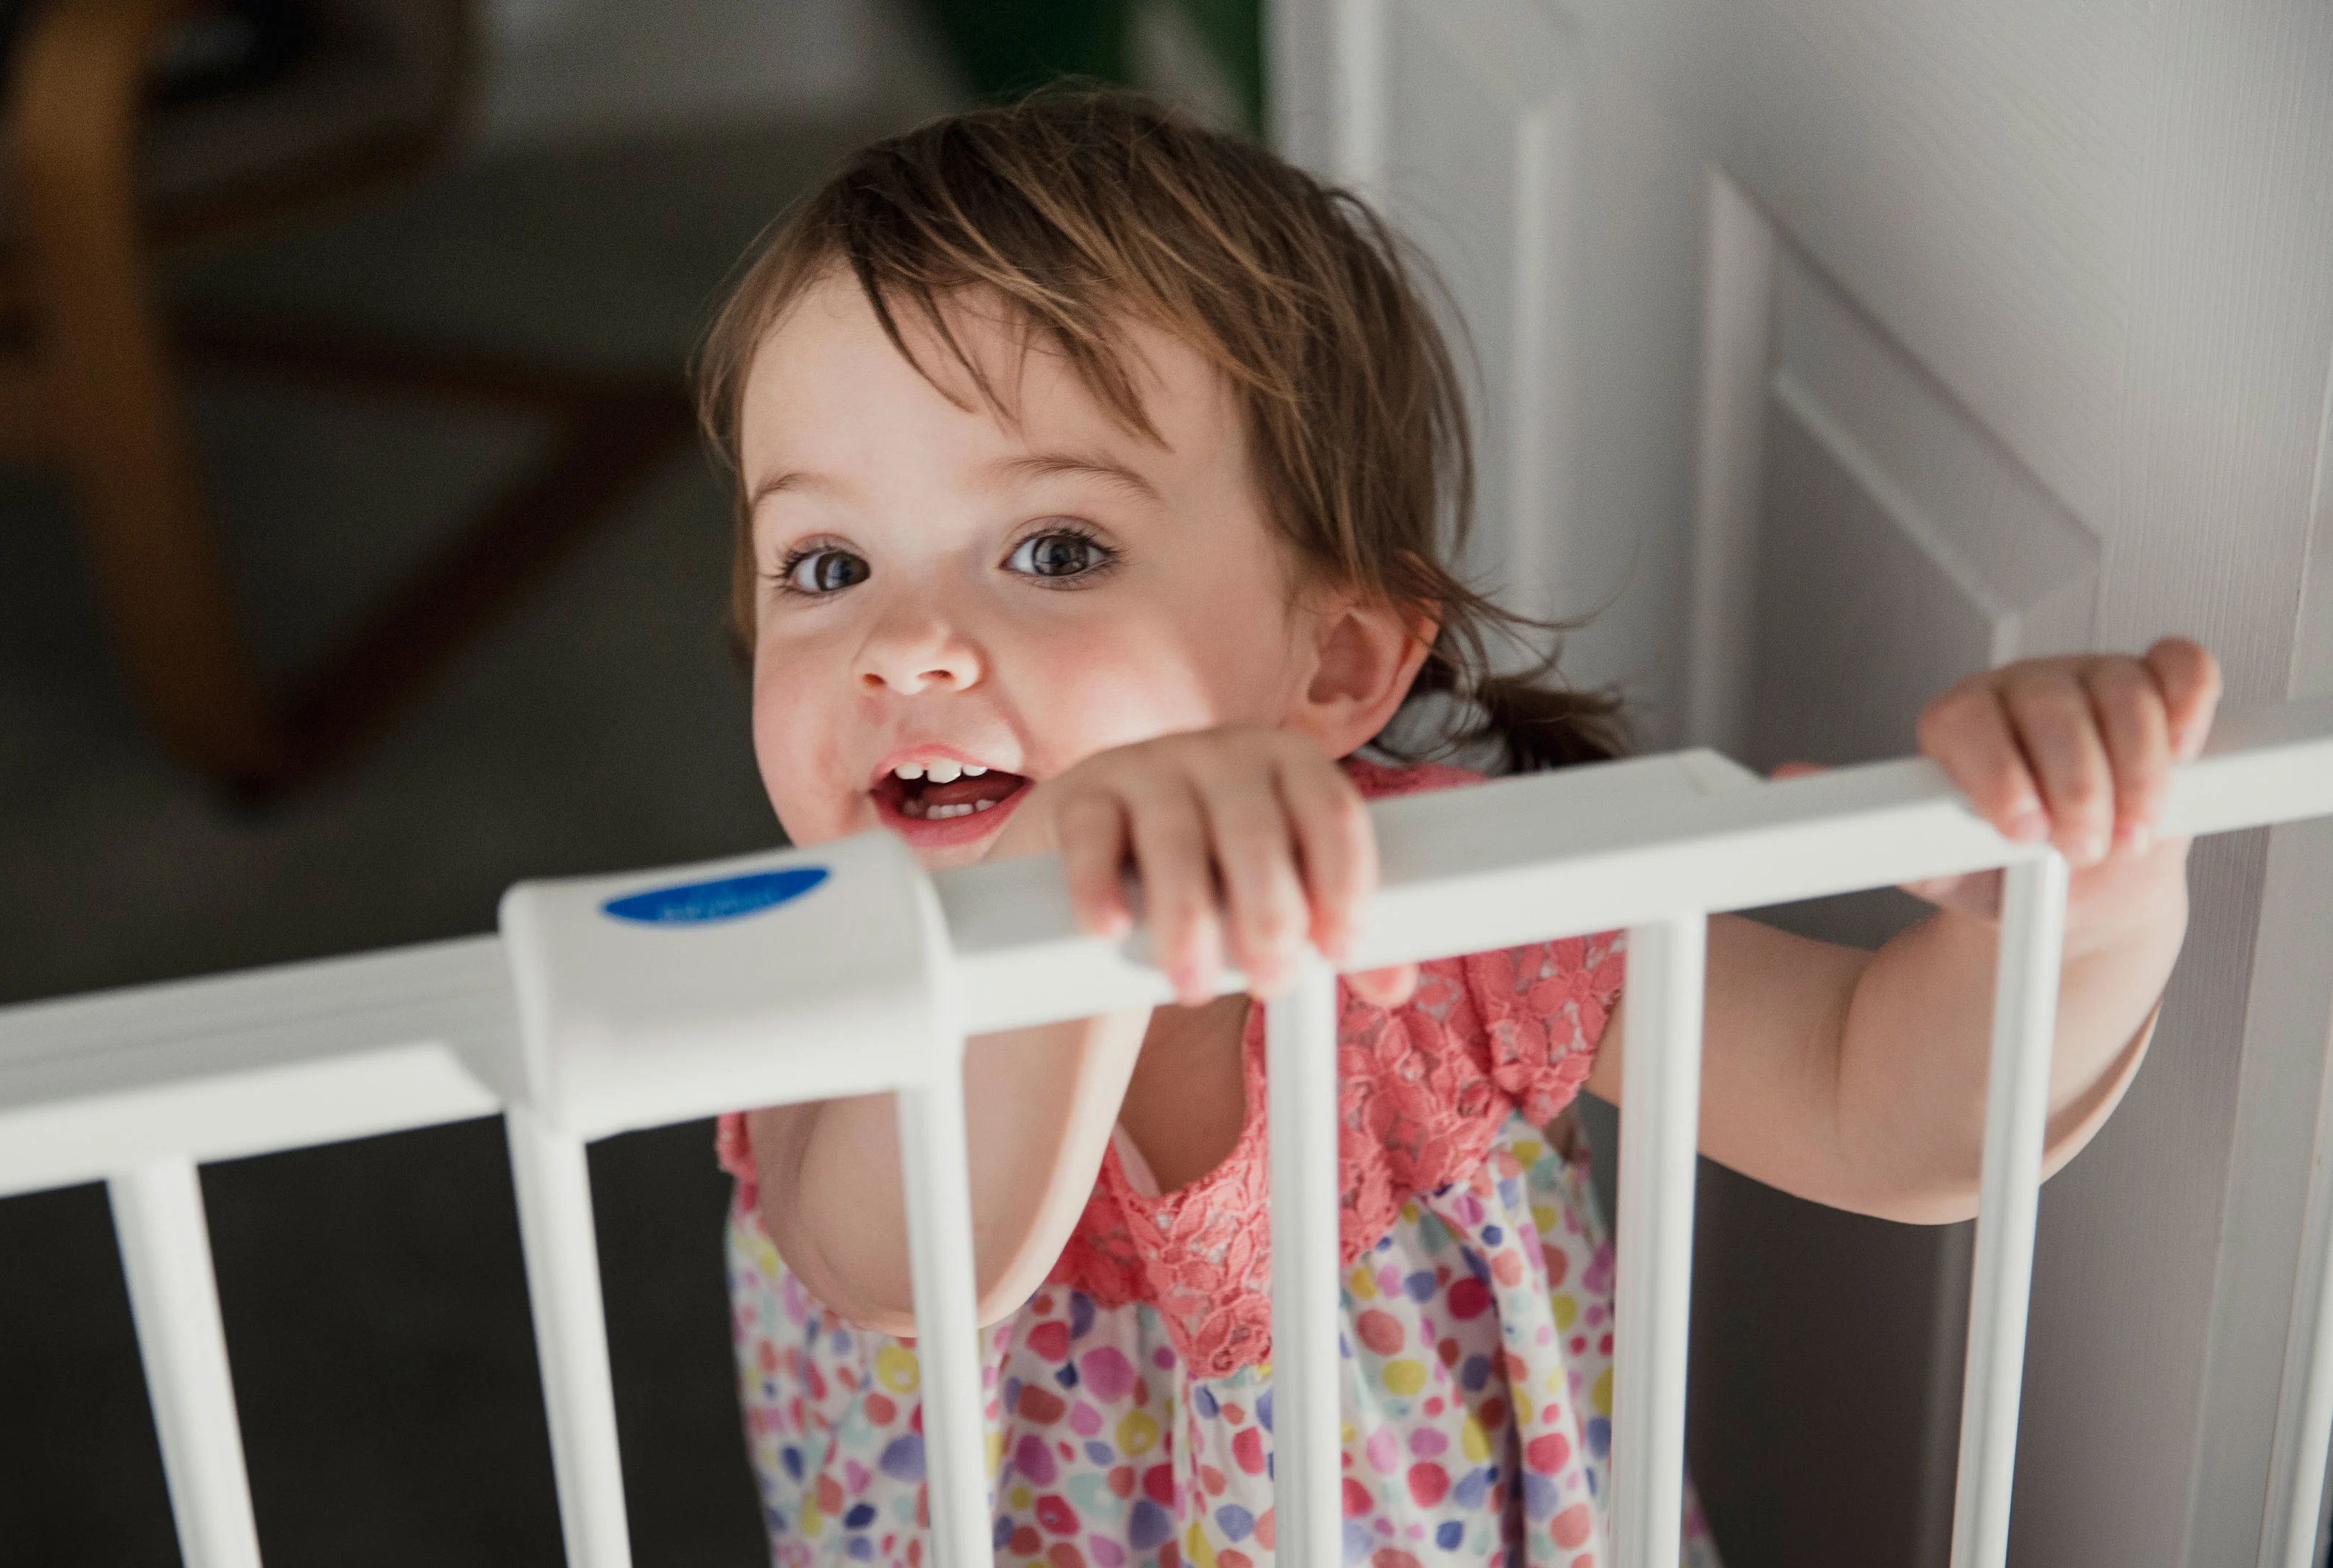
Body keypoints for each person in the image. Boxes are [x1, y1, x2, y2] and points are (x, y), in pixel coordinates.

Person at [699, 90, 2215, 1568]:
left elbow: (1872, 1103)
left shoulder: (1447, 912)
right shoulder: (815, 960)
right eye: (824, 565)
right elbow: (896, 1266)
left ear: (1337, 664)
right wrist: (1055, 886)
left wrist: (2088, 909)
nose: (903, 649)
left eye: (1055, 547)